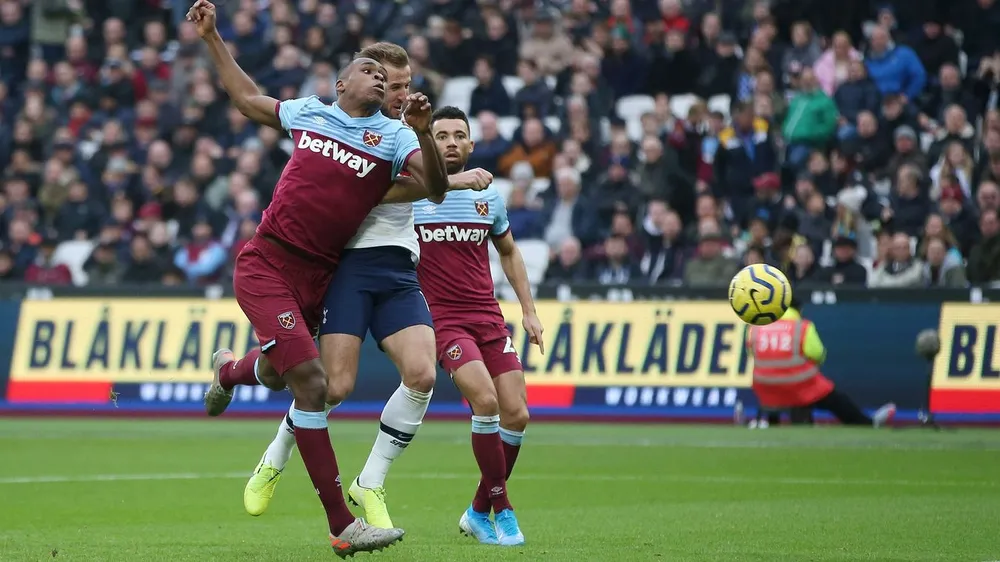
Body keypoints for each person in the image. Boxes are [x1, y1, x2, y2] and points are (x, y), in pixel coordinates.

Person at [186, 1, 450, 556]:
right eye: (370, 72)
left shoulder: (394, 136)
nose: (380, 80)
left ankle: (231, 373)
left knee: (283, 377)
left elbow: (433, 188)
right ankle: (342, 526)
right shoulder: (311, 112)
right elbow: (247, 98)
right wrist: (212, 38)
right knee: (313, 383)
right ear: (340, 82)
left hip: (320, 276)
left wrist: (425, 134)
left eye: (388, 78)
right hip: (269, 261)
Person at [241, 42, 493, 527]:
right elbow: (384, 189)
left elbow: (433, 183)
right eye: (392, 84)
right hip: (349, 266)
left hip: (399, 268)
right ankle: (273, 458)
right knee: (331, 386)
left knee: (422, 375)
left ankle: (370, 481)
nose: (399, 93)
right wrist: (456, 182)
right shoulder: (364, 131)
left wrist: (441, 166)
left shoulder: (406, 134)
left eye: (404, 84)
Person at [415, 106, 543, 546]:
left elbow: (508, 252)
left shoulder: (488, 198)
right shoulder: (411, 196)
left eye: (458, 136)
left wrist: (527, 310)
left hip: (488, 317)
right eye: (442, 135)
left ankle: (476, 511)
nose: (450, 142)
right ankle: (503, 510)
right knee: (485, 402)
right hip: (444, 321)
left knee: (518, 414)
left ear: (471, 145)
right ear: (428, 142)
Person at [747, 297, 896, 428]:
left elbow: (751, 353)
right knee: (837, 400)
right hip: (799, 385)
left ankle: (771, 425)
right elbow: (818, 355)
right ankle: (866, 424)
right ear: (798, 310)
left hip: (765, 388)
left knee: (778, 395)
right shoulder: (803, 326)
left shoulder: (756, 327)